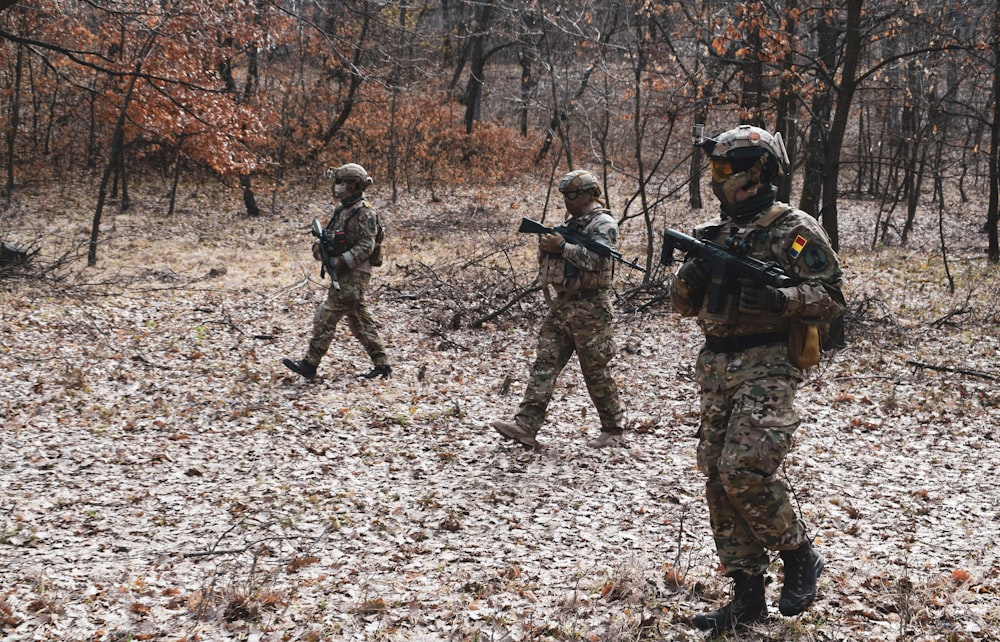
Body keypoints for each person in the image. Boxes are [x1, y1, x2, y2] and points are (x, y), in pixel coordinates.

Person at [669, 125, 844, 633]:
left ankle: (799, 554)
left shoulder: (792, 230)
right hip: (717, 365)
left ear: (760, 170)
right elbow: (680, 306)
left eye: (728, 168)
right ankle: (746, 596)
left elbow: (833, 298)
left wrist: (782, 300)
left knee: (744, 468)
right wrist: (690, 281)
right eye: (716, 169)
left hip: (768, 363)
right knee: (719, 481)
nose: (720, 178)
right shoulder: (715, 233)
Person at [492, 170, 626, 449]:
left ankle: (613, 429)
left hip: (591, 308)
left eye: (572, 194)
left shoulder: (603, 224)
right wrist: (551, 247)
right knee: (545, 363)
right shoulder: (571, 224)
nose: (567, 200)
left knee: (595, 370)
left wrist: (563, 246)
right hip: (563, 306)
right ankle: (526, 425)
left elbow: (599, 263)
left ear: (589, 194)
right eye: (565, 194)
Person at [283, 163, 391, 380]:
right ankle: (382, 365)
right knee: (359, 321)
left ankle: (310, 364)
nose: (337, 186)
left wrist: (341, 260)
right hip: (344, 273)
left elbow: (366, 245)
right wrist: (320, 250)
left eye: (341, 182)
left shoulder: (365, 212)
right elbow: (330, 236)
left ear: (353, 184)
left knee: (327, 315)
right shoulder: (341, 210)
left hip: (357, 272)